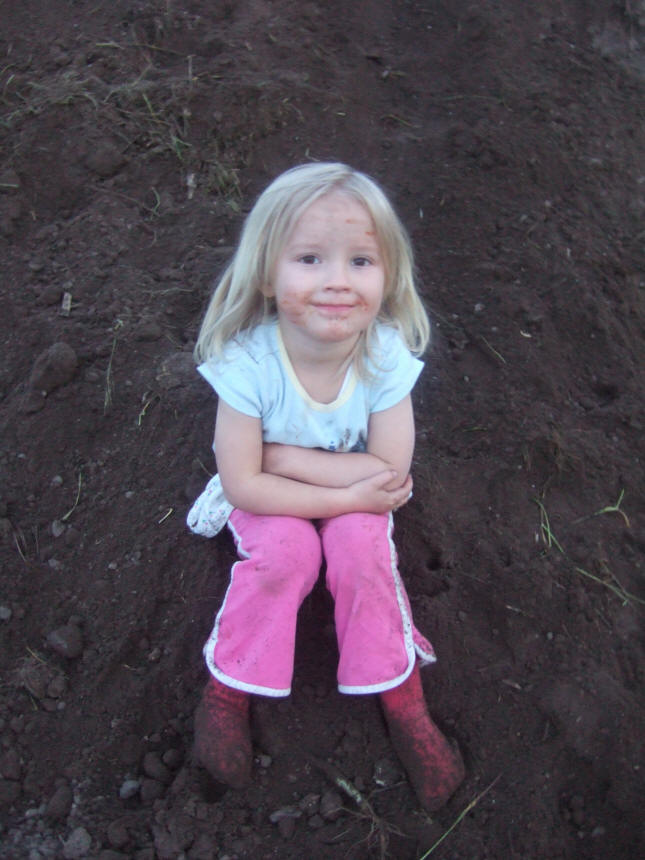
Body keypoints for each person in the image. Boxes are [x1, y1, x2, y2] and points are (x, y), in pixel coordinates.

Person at [187, 162, 464, 811]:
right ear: (266, 273)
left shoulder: (383, 356)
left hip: (318, 487)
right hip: (272, 499)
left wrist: (284, 456)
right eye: (310, 259)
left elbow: (387, 472)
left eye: (360, 261)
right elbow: (244, 486)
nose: (337, 280)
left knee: (361, 551)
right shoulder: (247, 363)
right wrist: (342, 493)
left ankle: (403, 699)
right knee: (286, 554)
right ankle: (227, 691)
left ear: (387, 274)